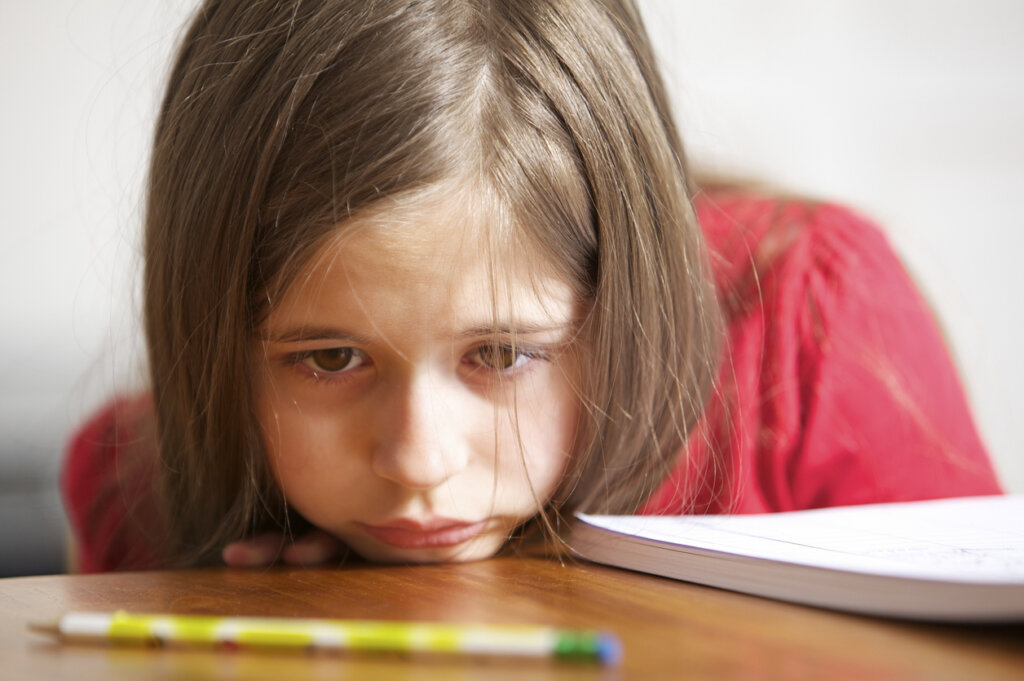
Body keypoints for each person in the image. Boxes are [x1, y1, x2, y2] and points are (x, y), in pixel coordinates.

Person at [63, 0, 1001, 573]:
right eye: (330, 357)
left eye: (503, 353)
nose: (421, 462)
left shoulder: (816, 316)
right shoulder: (132, 490)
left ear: (622, 292)